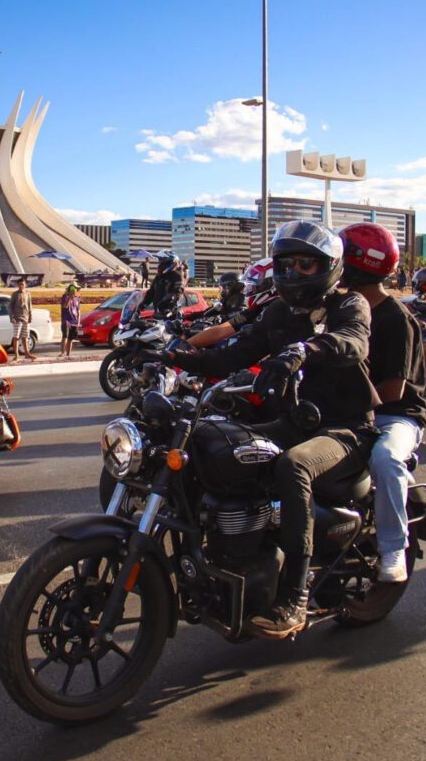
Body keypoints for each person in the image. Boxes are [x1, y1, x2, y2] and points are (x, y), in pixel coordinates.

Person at [159, 221, 377, 639]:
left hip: (346, 430)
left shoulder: (349, 306)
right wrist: (177, 355)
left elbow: (353, 342)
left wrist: (304, 350)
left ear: (330, 267)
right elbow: (232, 355)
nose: (294, 272)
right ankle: (224, 554)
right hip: (296, 421)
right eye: (287, 263)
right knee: (218, 443)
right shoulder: (280, 312)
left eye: (307, 264)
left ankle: (293, 596)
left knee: (293, 466)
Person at [340, 222, 426, 583]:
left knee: (386, 458)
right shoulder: (342, 309)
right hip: (346, 410)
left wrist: (338, 388)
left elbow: (392, 392)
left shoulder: (396, 319)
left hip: (394, 417)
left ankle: (393, 547)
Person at [140, 251, 185, 318]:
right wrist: (141, 306)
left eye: (163, 262)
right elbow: (151, 293)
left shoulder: (177, 276)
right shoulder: (159, 277)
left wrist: (170, 307)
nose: (161, 264)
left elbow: (178, 292)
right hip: (158, 313)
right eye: (160, 261)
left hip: (171, 315)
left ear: (171, 262)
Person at [9, 278, 36, 361]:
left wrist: (30, 315)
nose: (21, 286)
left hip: (26, 318)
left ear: (25, 285)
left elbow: (30, 305)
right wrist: (12, 317)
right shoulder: (15, 294)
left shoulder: (27, 294)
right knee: (16, 337)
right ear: (18, 285)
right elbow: (10, 307)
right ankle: (16, 355)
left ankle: (27, 353)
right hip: (17, 318)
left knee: (25, 336)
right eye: (20, 284)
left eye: (23, 284)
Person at [59, 283, 81, 358]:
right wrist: (69, 298)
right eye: (72, 289)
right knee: (65, 336)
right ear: (69, 290)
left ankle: (68, 355)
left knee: (70, 339)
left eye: (75, 289)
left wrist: (78, 321)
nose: (74, 291)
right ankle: (62, 353)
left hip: (74, 321)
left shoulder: (77, 298)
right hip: (66, 320)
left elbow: (78, 311)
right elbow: (65, 306)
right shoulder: (65, 297)